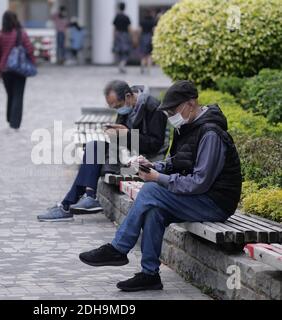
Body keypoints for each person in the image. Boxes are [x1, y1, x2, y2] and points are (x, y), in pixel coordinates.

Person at [79, 80, 242, 292]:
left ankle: (118, 249)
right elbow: (177, 162)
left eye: (174, 110)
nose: (172, 116)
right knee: (154, 209)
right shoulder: (188, 127)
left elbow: (199, 182)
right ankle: (150, 275)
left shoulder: (210, 134)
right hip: (200, 197)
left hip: (215, 202)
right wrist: (152, 166)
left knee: (150, 191)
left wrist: (158, 178)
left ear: (191, 104)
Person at [37, 80, 168, 222]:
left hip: (146, 160)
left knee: (94, 155)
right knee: (93, 146)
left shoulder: (153, 107)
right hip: (126, 153)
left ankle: (66, 206)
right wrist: (113, 133)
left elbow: (155, 145)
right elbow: (123, 138)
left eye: (117, 106)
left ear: (128, 96)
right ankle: (89, 196)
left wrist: (127, 134)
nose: (118, 110)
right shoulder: (128, 108)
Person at [0, 11, 36, 131]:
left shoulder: (0, 35)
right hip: (19, 68)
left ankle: (9, 118)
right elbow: (30, 49)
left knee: (10, 94)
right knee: (18, 95)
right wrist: (32, 63)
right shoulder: (21, 34)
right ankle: (14, 122)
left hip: (5, 70)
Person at [113, 2, 132, 74]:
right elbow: (129, 28)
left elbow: (114, 28)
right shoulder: (126, 17)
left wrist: (114, 36)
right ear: (125, 8)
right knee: (126, 51)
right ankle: (123, 64)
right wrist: (131, 36)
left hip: (118, 34)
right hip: (125, 35)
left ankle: (120, 64)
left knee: (118, 51)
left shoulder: (117, 17)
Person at [139, 10, 156, 75]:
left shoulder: (142, 21)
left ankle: (142, 67)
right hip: (150, 37)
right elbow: (154, 30)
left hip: (143, 37)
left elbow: (140, 30)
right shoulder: (153, 21)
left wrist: (139, 38)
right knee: (149, 55)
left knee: (143, 54)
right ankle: (149, 69)